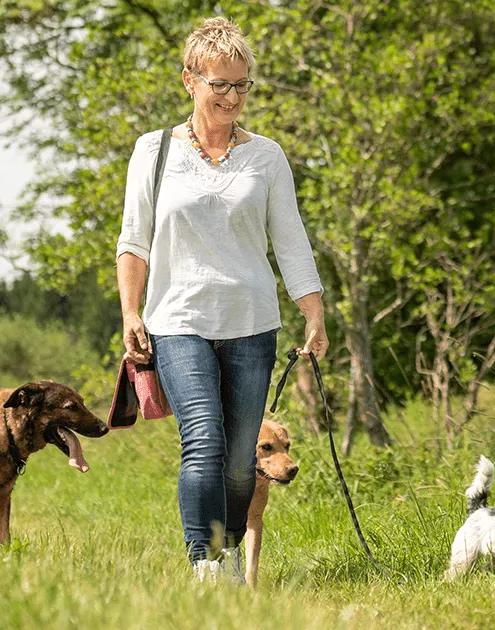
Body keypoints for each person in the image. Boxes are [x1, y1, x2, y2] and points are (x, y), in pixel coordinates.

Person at [115, 16, 328, 583]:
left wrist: (313, 312)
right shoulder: (153, 152)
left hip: (252, 321)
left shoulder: (267, 157)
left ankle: (230, 554)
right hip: (177, 320)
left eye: (242, 85)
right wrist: (131, 312)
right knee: (204, 439)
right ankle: (205, 567)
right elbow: (133, 241)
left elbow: (291, 240)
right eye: (220, 85)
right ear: (190, 80)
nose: (233, 97)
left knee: (239, 461)